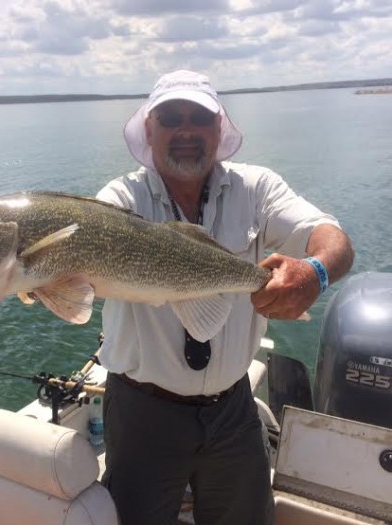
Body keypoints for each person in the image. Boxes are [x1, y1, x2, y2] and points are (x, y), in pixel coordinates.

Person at [95, 70, 354, 525]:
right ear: (149, 131)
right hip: (141, 414)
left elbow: (333, 239)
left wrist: (313, 273)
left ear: (219, 129)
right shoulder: (120, 200)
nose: (186, 131)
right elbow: (75, 263)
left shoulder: (256, 189)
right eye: (172, 119)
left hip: (232, 411)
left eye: (199, 118)